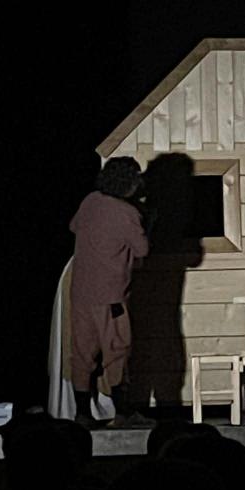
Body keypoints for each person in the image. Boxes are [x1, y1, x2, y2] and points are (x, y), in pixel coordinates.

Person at [69, 156, 149, 427]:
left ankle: (82, 414)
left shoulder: (90, 201)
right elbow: (142, 250)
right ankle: (123, 413)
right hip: (111, 297)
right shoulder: (127, 214)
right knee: (117, 352)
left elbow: (74, 226)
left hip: (81, 293)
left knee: (82, 354)